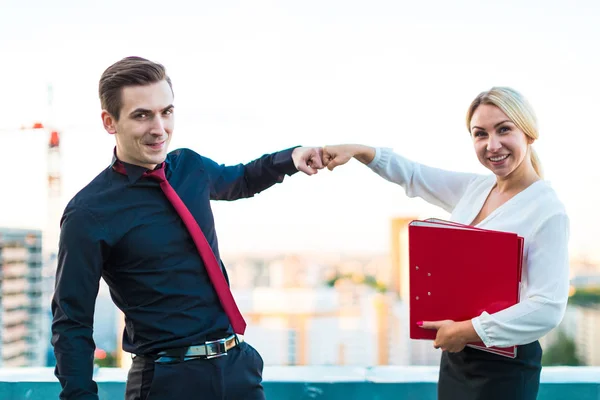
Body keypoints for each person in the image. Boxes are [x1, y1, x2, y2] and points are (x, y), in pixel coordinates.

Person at [51, 56, 325, 400]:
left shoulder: (190, 167)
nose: (159, 128)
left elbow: (239, 179)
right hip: (168, 381)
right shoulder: (88, 212)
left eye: (166, 112)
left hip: (237, 369)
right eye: (141, 115)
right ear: (110, 122)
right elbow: (71, 322)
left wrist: (293, 157)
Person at [321, 87, 569, 400]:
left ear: (529, 133)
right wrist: (359, 151)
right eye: (480, 134)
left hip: (503, 368)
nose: (492, 145)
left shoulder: (547, 209)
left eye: (504, 129)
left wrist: (468, 331)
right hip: (457, 356)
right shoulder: (477, 188)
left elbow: (548, 307)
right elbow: (413, 175)